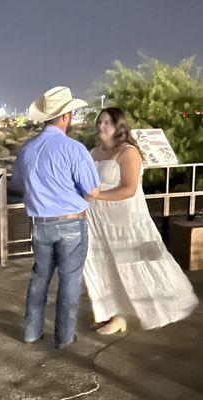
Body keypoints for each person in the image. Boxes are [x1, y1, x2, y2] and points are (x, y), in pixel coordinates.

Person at [84, 107, 199, 334]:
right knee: (101, 266)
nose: (101, 126)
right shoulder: (93, 152)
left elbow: (128, 189)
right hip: (97, 221)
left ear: (119, 126)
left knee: (130, 266)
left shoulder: (128, 153)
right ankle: (107, 313)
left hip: (124, 222)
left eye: (107, 122)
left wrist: (98, 195)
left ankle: (127, 313)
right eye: (100, 122)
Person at [11, 86, 100, 348]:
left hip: (40, 225)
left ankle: (31, 331)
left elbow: (17, 184)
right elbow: (93, 191)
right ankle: (63, 337)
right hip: (72, 222)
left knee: (39, 279)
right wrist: (77, 201)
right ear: (65, 117)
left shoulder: (26, 150)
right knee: (70, 282)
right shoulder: (75, 149)